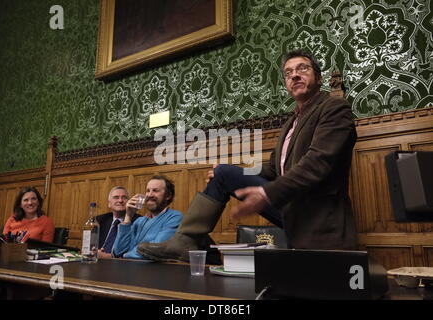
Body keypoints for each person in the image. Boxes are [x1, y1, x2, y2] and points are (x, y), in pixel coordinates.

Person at [137, 49, 358, 262]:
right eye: (288, 73)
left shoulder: (334, 107)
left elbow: (318, 163)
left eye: (303, 69)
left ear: (318, 79)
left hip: (319, 214)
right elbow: (273, 169)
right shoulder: (292, 122)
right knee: (222, 172)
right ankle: (185, 241)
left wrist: (266, 192)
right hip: (292, 208)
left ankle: (189, 242)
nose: (295, 75)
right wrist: (233, 172)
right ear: (286, 84)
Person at [112, 176, 183, 259]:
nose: (149, 195)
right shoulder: (139, 221)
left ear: (168, 196)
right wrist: (128, 217)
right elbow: (118, 251)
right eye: (148, 191)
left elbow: (155, 250)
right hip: (129, 269)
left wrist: (125, 255)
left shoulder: (174, 217)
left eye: (155, 191)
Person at [97, 186, 141, 259]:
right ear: (109, 204)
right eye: (116, 197)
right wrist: (95, 251)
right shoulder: (100, 220)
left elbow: (135, 252)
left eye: (124, 197)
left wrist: (109, 257)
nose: (120, 200)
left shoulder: (139, 221)